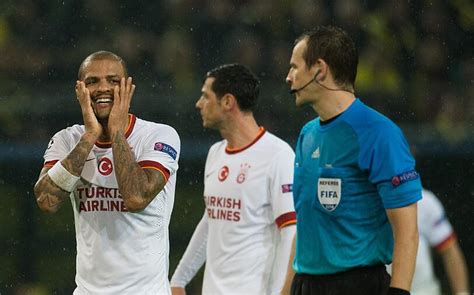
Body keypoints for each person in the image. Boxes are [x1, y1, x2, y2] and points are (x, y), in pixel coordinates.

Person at [283, 26, 422, 295]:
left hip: (359, 285)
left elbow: (407, 230)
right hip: (305, 284)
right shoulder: (307, 135)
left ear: (319, 70)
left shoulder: (379, 133)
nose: (288, 77)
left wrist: (399, 292)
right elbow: (306, 223)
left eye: (294, 67)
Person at [33, 51, 180, 294]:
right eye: (92, 81)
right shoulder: (67, 139)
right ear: (79, 90)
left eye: (113, 81)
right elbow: (46, 201)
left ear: (128, 87)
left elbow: (135, 197)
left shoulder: (159, 135)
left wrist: (116, 134)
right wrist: (89, 136)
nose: (103, 88)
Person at [170, 63, 296, 295]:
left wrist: (281, 292)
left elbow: (290, 233)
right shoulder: (215, 153)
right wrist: (178, 280)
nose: (199, 104)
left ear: (228, 102)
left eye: (205, 96)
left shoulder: (278, 155)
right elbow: (211, 220)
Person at [388, 187, 470, 295]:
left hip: (423, 290)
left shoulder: (424, 200)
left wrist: (462, 293)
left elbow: (449, 250)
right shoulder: (364, 203)